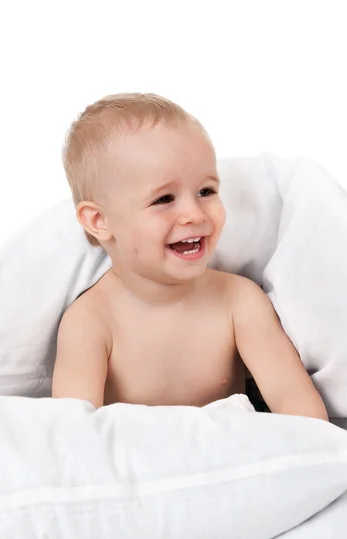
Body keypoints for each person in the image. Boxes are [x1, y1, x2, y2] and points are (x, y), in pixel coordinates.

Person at [52, 93, 328, 421]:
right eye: (164, 198)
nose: (194, 214)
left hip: (233, 456)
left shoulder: (238, 302)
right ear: (100, 221)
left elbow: (296, 403)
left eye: (206, 191)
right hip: (137, 465)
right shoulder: (91, 321)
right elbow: (72, 433)